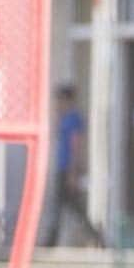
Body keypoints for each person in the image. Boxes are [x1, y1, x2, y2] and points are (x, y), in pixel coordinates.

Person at [45, 83, 102, 247]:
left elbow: (75, 145)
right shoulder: (64, 118)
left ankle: (51, 241)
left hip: (68, 170)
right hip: (63, 168)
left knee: (66, 207)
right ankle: (96, 235)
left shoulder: (73, 119)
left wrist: (72, 172)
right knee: (70, 207)